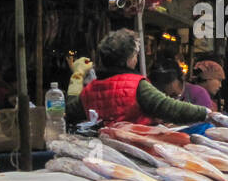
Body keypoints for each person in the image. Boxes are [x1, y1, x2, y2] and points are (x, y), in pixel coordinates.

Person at [69, 30, 209, 126]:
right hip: (134, 150)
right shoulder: (136, 85)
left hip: (103, 151)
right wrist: (204, 113)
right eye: (135, 55)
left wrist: (77, 76)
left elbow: (69, 111)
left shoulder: (90, 89)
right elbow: (169, 107)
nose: (136, 59)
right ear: (129, 60)